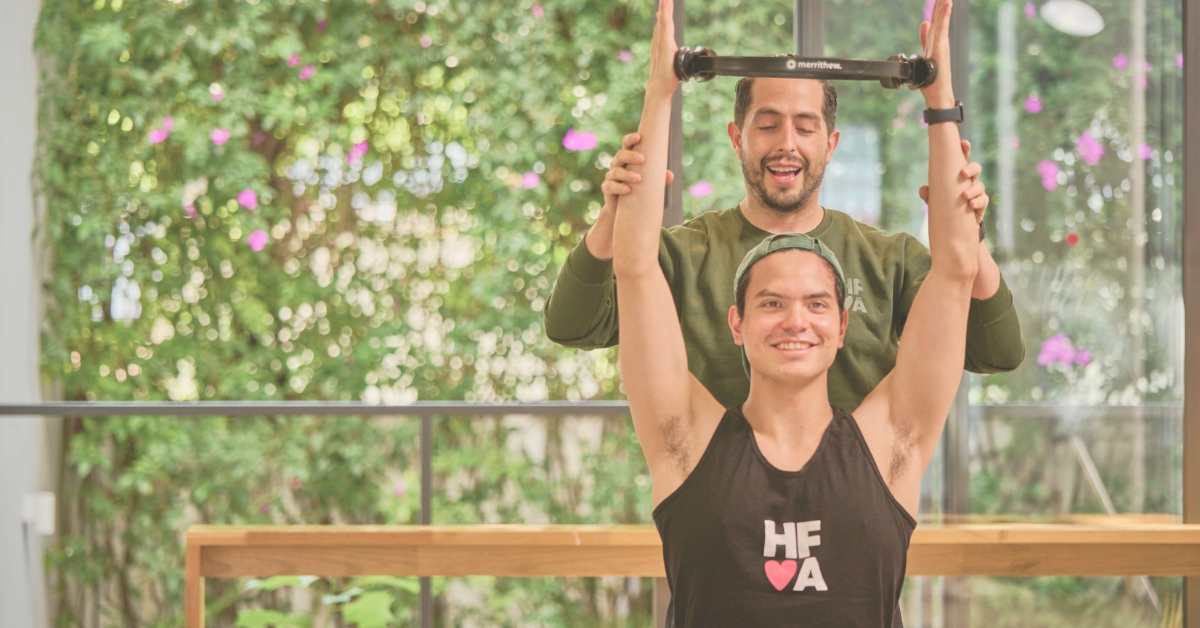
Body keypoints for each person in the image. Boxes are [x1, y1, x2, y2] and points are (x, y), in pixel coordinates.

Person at [613, 0, 980, 624]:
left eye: (816, 304)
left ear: (842, 328)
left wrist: (939, 103)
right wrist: (659, 92)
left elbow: (955, 271)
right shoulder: (685, 447)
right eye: (771, 303)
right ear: (737, 324)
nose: (795, 320)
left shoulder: (889, 449)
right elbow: (636, 267)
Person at [544, 33, 1024, 415]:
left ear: (831, 144)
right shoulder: (682, 255)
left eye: (806, 126)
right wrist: (615, 211)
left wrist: (970, 232)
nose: (787, 144)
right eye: (768, 124)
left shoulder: (889, 259)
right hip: (720, 518)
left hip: (855, 516)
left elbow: (997, 352)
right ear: (737, 138)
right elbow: (571, 325)